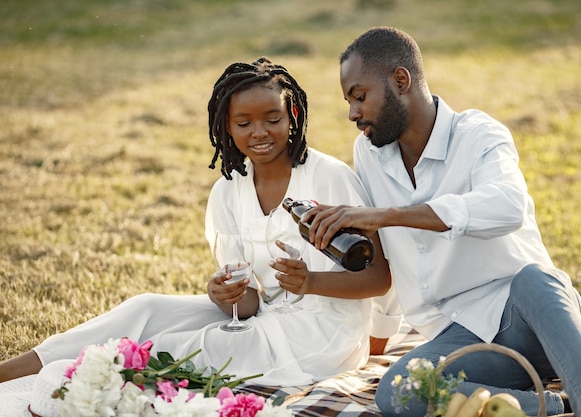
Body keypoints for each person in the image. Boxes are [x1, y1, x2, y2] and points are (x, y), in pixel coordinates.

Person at [0, 57, 391, 392]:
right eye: (244, 122)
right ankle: (11, 373)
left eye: (272, 119)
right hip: (266, 320)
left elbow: (379, 280)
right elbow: (251, 304)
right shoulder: (227, 192)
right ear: (227, 126)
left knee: (173, 349)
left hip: (323, 338)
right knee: (145, 309)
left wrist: (311, 283)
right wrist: (226, 296)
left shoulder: (330, 179)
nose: (259, 132)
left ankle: (67, 388)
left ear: (292, 116)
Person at [303, 27, 581, 417]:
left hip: (531, 318)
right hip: (459, 339)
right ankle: (558, 403)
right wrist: (380, 335)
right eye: (349, 101)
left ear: (400, 81)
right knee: (398, 390)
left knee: (537, 278)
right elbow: (388, 256)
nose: (352, 113)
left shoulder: (479, 134)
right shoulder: (369, 151)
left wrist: (386, 215)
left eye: (360, 96)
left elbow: (507, 206)